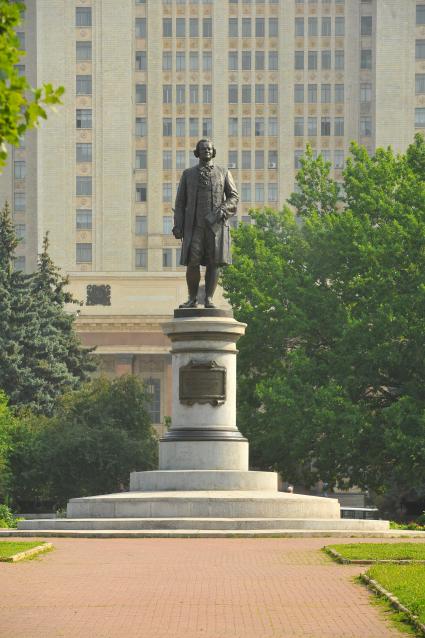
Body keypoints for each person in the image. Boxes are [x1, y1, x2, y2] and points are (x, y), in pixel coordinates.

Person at [172, 138, 239, 308]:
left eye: (209, 149)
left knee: (213, 262)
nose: (206, 151)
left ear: (213, 152)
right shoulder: (188, 174)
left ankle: (208, 298)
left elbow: (233, 197)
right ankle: (192, 298)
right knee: (192, 262)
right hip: (194, 226)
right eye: (203, 149)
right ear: (197, 152)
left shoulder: (223, 172)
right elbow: (180, 203)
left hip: (215, 226)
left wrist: (221, 211)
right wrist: (178, 225)